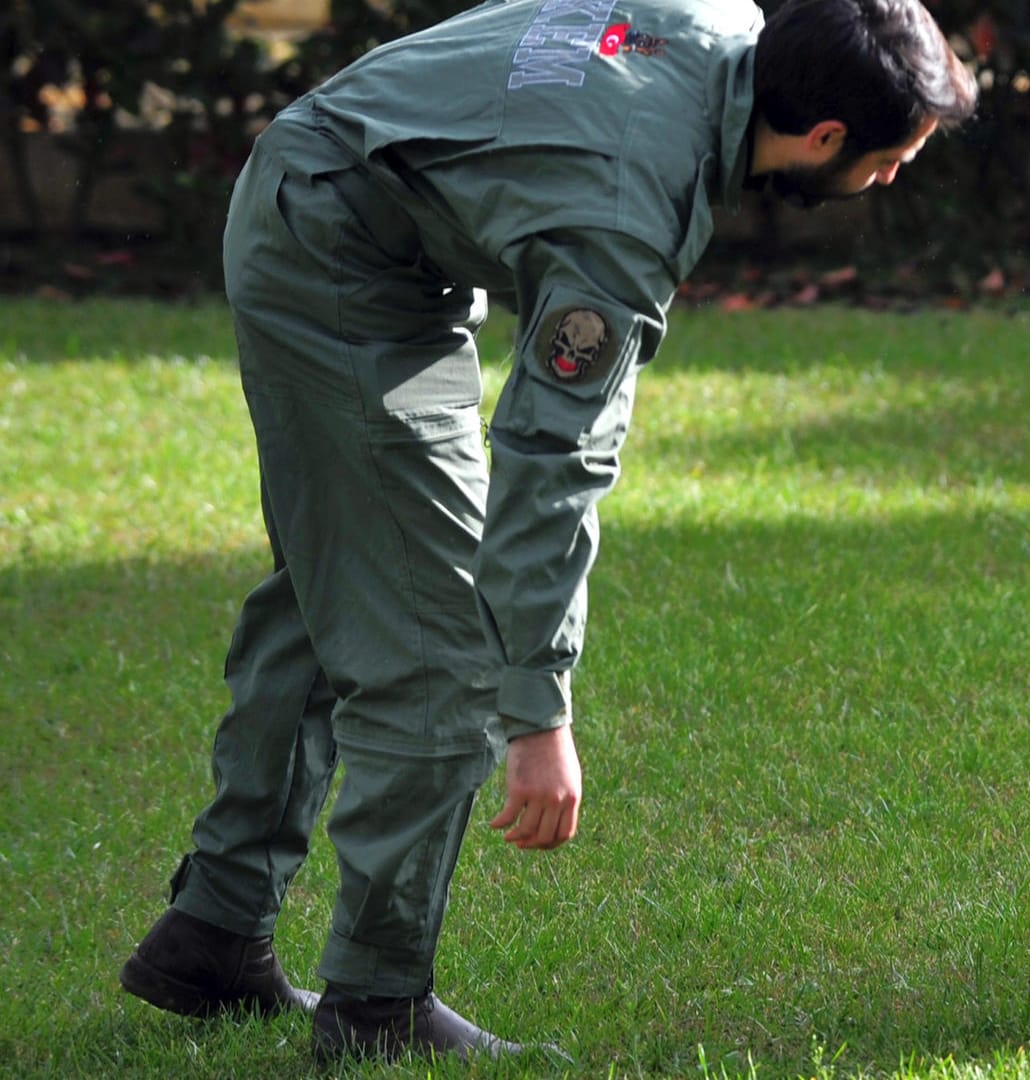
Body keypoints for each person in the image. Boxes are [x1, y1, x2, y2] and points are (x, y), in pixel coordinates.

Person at [117, 0, 976, 1063]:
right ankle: (375, 1007)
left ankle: (211, 933)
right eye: (893, 160)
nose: (893, 179)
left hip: (339, 191)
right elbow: (552, 465)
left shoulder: (725, 21)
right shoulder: (626, 213)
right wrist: (536, 710)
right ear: (825, 139)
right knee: (438, 654)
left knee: (339, 591)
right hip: (337, 253)